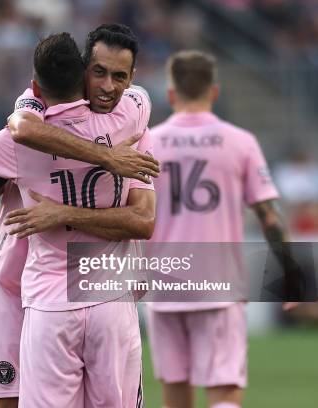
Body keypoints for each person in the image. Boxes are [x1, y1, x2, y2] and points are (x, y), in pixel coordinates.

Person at [0, 24, 157, 408]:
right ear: (82, 69)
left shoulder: (21, 136)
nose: (108, 86)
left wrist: (60, 213)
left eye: (119, 76)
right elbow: (23, 126)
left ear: (132, 78)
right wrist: (106, 156)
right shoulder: (130, 120)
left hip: (54, 295)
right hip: (24, 284)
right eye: (100, 72)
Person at [145, 50, 293, 408]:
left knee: (175, 389)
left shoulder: (147, 143)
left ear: (170, 94)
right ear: (214, 92)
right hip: (218, 281)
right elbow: (269, 218)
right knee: (225, 389)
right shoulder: (240, 141)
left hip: (164, 284)